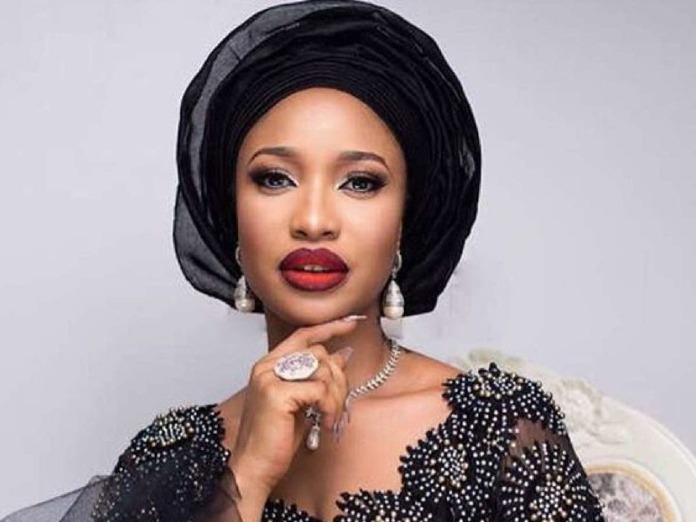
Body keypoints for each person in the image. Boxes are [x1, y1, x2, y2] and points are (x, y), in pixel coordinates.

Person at [3, 1, 605, 521]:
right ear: (232, 215)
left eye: (361, 182)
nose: (314, 219)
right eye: (274, 178)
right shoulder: (172, 456)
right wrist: (247, 474)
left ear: (404, 222)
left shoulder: (498, 430)